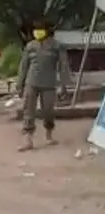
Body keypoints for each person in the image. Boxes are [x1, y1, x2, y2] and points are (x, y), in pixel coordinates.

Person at [15, 21, 72, 151]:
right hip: (31, 82)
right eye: (35, 29)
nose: (37, 32)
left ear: (47, 30)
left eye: (40, 29)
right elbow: (23, 67)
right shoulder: (30, 46)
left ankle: (49, 134)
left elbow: (63, 66)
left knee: (48, 111)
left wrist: (64, 84)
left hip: (49, 84)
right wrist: (20, 84)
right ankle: (27, 140)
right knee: (28, 110)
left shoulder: (56, 46)